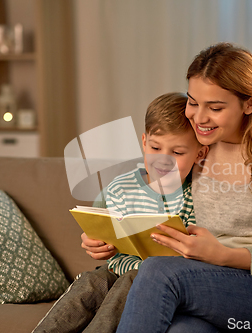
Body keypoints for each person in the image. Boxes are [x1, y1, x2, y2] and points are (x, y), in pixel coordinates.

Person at [84, 42, 252, 333]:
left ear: (249, 103)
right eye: (193, 102)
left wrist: (222, 255)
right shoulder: (200, 144)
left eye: (215, 107)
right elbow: (146, 188)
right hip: (208, 281)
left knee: (158, 272)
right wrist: (102, 233)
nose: (199, 118)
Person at [33, 92, 208, 333]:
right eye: (156, 147)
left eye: (177, 153)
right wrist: (93, 242)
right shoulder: (119, 188)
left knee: (128, 284)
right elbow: (97, 227)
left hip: (156, 280)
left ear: (200, 153)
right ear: (144, 142)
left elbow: (200, 250)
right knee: (89, 284)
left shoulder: (197, 196)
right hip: (115, 268)